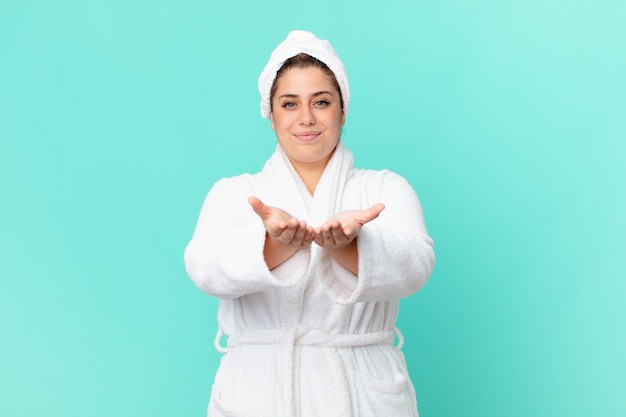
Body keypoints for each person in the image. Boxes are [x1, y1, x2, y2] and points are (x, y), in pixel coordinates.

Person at [184, 30, 435, 417]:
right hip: (260, 389)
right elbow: (204, 269)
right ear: (270, 115)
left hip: (359, 386)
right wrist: (275, 245)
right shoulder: (235, 193)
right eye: (289, 104)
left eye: (321, 101)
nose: (306, 118)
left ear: (343, 110)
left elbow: (416, 267)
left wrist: (349, 247)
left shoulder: (384, 188)